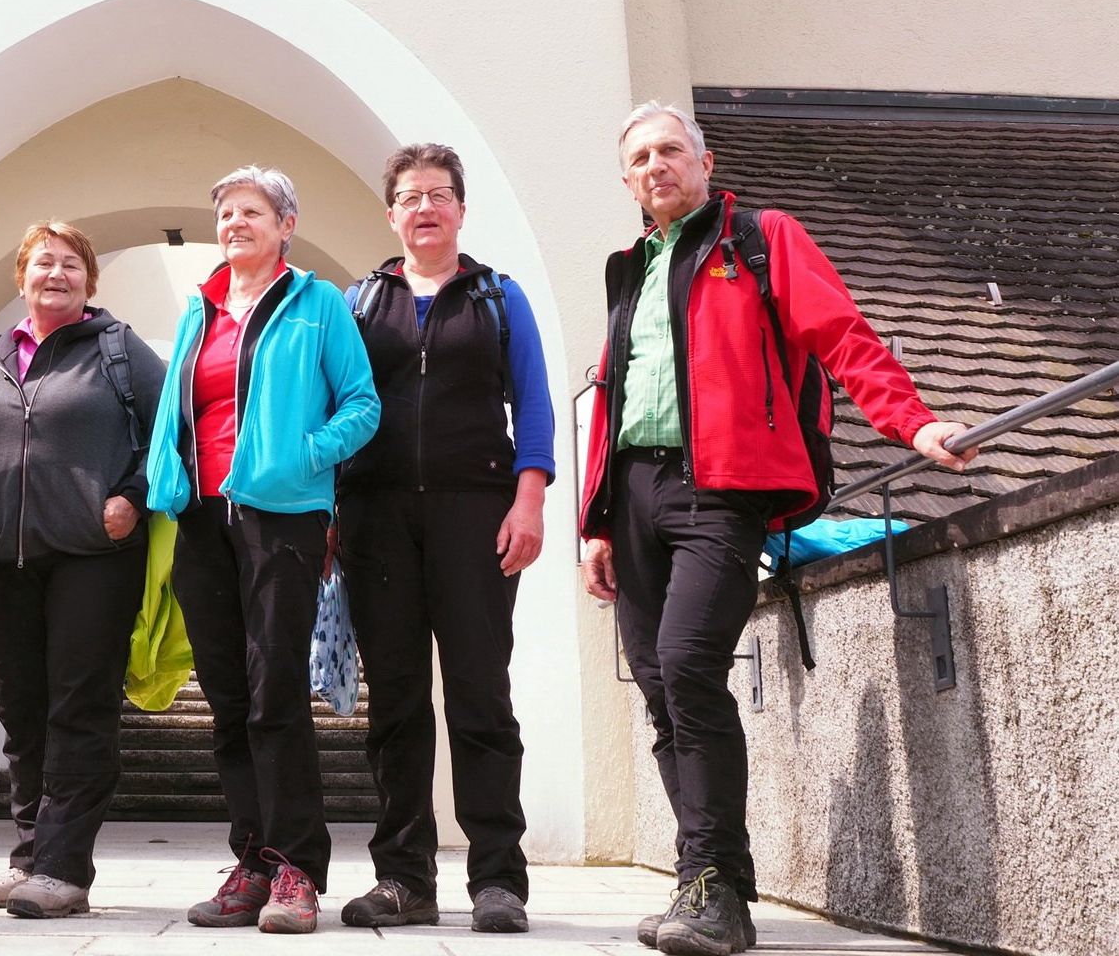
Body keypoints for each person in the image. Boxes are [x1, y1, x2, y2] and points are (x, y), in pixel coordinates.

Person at [578, 104, 975, 956]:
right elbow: (612, 395)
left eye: (671, 152)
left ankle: (720, 891)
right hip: (636, 489)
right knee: (657, 689)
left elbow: (842, 335)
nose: (658, 167)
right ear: (627, 181)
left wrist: (914, 425)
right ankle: (703, 881)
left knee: (689, 668)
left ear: (705, 161)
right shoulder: (629, 267)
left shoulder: (758, 237)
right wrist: (598, 522)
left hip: (723, 487)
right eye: (641, 157)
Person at [145, 165, 380, 935]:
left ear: (286, 224)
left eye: (252, 211)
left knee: (273, 686)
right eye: (227, 213)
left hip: (282, 516)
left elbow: (363, 404)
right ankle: (249, 860)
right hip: (203, 515)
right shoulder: (200, 308)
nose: (235, 223)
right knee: (225, 694)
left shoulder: (318, 306)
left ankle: (296, 870)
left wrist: (305, 455)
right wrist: (165, 476)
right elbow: (181, 402)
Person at [336, 143, 554, 934]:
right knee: (394, 701)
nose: (425, 208)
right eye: (409, 197)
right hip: (376, 517)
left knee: (479, 695)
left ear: (461, 208)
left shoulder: (499, 297)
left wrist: (529, 500)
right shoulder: (358, 302)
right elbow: (333, 409)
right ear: (391, 214)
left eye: (439, 194)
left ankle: (498, 880)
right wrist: (330, 514)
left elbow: (533, 404)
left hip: (477, 513)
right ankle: (403, 879)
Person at [0, 222, 164, 920]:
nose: (56, 273)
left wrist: (131, 496)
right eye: (43, 263)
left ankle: (64, 869)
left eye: (70, 264)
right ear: (22, 277)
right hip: (3, 560)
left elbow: (170, 438)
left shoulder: (121, 351)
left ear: (90, 281)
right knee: (22, 712)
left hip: (94, 558)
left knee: (79, 709)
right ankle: (31, 855)